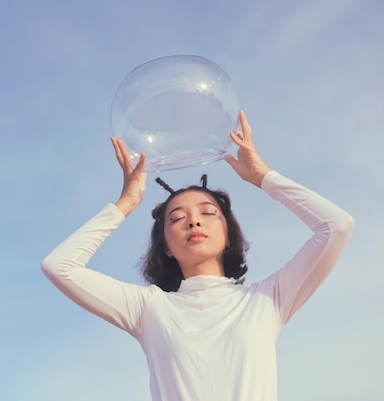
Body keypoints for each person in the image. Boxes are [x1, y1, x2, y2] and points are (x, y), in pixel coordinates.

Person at [41, 111, 354, 401]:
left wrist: (263, 177)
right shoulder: (150, 309)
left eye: (208, 213)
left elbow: (336, 226)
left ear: (229, 233)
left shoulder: (267, 299)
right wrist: (126, 202)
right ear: (164, 245)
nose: (193, 221)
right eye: (176, 218)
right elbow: (59, 266)